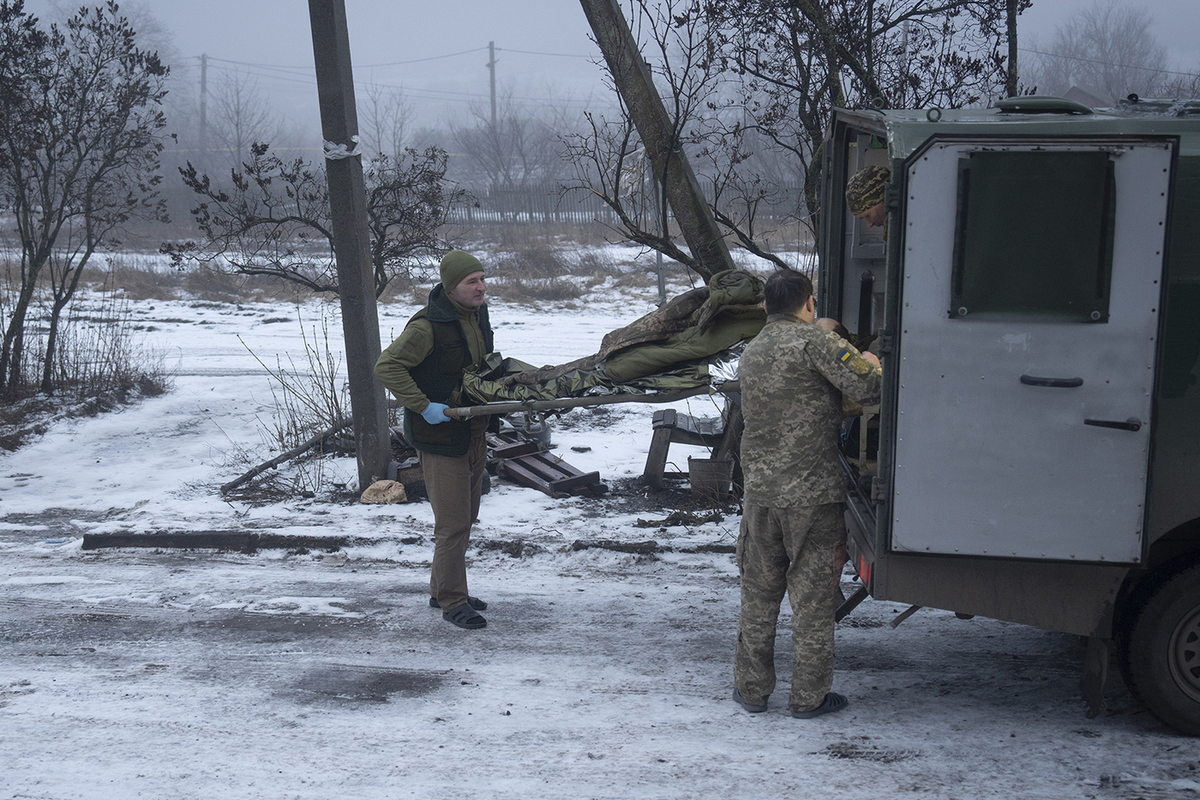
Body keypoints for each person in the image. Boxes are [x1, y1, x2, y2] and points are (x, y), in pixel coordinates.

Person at [732, 269, 882, 718]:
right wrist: (873, 358)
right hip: (812, 497)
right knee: (812, 600)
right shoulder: (815, 341)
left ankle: (752, 690)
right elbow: (869, 387)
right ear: (809, 304)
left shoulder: (752, 350)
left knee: (758, 595)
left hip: (760, 494)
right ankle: (808, 697)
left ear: (766, 307)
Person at [374, 250, 495, 630]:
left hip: (473, 431)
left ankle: (442, 587)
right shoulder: (427, 326)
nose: (480, 287)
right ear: (450, 287)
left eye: (481, 278)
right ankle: (452, 601)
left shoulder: (476, 316)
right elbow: (386, 366)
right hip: (439, 438)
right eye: (471, 282)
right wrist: (423, 405)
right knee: (452, 523)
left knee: (466, 517)